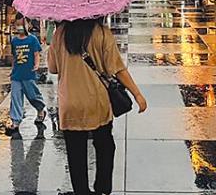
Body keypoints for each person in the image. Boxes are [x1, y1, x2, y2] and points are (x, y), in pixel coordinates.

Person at [48, 18, 148, 195]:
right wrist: (137, 94)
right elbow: (117, 69)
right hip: (97, 102)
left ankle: (82, 191)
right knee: (105, 145)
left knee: (75, 152)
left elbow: (53, 68)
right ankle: (102, 188)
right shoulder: (101, 32)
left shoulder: (60, 33)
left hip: (70, 103)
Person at [5, 15, 47, 137]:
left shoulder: (32, 39)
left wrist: (37, 65)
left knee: (33, 95)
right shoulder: (14, 41)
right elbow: (14, 57)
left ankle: (40, 108)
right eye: (17, 25)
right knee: (15, 97)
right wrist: (12, 70)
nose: (20, 27)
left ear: (28, 25)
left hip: (29, 74)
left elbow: (36, 54)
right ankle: (15, 120)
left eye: (22, 25)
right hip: (17, 75)